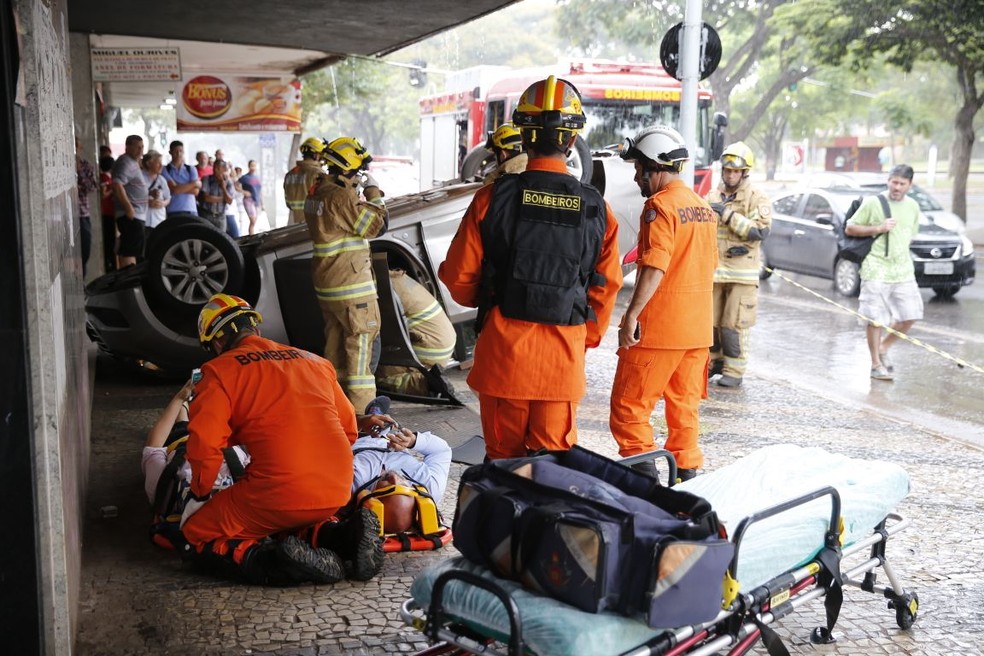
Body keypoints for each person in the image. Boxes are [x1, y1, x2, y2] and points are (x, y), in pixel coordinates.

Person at [439, 76, 622, 461]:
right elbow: (605, 289)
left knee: (503, 469)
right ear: (572, 140)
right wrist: (580, 338)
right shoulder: (597, 209)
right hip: (562, 365)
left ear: (524, 134)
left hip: (503, 360)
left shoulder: (492, 198)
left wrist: (492, 301)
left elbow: (458, 279)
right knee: (549, 474)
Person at [182, 293, 383, 585]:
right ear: (256, 329)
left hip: (279, 492)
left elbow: (204, 446)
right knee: (289, 518)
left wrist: (200, 493)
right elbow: (349, 429)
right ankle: (343, 538)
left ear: (216, 343)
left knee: (196, 533)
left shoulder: (218, 372)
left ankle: (275, 563)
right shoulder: (314, 361)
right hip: (337, 488)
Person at [608, 126, 718, 481]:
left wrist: (631, 315)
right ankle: (688, 482)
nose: (637, 177)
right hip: (697, 331)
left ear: (656, 166)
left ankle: (647, 485)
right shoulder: (703, 209)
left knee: (629, 409)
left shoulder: (659, 207)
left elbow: (655, 265)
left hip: (659, 331)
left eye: (639, 169)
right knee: (684, 409)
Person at [303, 137, 388, 411]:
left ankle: (336, 415)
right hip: (353, 291)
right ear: (348, 167)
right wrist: (373, 191)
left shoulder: (317, 193)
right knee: (360, 363)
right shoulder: (341, 198)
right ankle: (366, 423)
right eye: (358, 169)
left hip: (329, 288)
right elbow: (377, 225)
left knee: (335, 357)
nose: (359, 174)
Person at [844, 164, 922, 381]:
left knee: (910, 315)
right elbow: (850, 228)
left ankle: (884, 347)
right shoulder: (873, 202)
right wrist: (878, 228)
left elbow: (910, 235)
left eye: (902, 183)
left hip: (903, 269)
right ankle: (875, 364)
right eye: (893, 182)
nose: (897, 187)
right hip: (875, 267)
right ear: (888, 181)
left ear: (909, 185)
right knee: (875, 318)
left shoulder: (913, 207)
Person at [704, 142, 772, 388]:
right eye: (727, 170)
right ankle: (712, 364)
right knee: (709, 324)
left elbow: (760, 232)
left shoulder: (756, 198)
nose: (730, 175)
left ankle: (734, 370)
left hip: (742, 274)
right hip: (714, 272)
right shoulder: (712, 195)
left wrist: (728, 215)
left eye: (735, 171)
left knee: (733, 325)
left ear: (744, 172)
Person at [375, 269, 456, 396]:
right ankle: (429, 375)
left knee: (376, 376)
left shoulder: (375, 285)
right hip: (442, 341)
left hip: (428, 349)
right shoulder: (394, 278)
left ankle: (426, 384)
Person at [110, 134, 149, 267]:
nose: (141, 150)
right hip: (131, 216)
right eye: (137, 147)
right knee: (130, 251)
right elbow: (116, 184)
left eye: (142, 147)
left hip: (135, 215)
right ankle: (128, 283)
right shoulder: (125, 162)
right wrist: (128, 207)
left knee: (130, 248)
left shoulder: (132, 162)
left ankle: (128, 281)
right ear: (127, 147)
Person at [284, 137, 326, 225]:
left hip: (294, 222)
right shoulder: (318, 173)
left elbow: (288, 203)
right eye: (320, 154)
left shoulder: (290, 174)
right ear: (315, 155)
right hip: (313, 222)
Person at [75, 137, 98, 277]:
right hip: (63, 218)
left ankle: (81, 281)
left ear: (79, 148)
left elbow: (92, 187)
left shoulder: (85, 166)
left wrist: (78, 171)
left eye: (75, 146)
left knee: (85, 250)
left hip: (82, 215)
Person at [161, 140, 201, 220]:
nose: (179, 154)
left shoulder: (191, 169)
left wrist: (179, 187)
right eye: (176, 151)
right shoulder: (165, 170)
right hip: (173, 210)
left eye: (181, 151)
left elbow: (196, 191)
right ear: (170, 152)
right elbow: (174, 189)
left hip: (191, 209)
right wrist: (194, 184)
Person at [198, 159, 234, 232]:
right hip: (206, 215)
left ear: (224, 169)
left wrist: (223, 187)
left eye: (218, 168)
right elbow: (206, 198)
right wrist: (224, 199)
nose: (215, 170)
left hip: (221, 216)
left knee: (220, 239)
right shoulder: (207, 179)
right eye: (214, 167)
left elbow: (230, 201)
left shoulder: (228, 182)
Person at [142, 150, 171, 232]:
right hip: (144, 220)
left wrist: (163, 203)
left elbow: (168, 198)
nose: (161, 165)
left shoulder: (162, 180)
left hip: (159, 220)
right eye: (158, 163)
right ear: (149, 163)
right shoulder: (139, 178)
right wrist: (147, 202)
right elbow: (132, 197)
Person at [98, 154, 117, 272]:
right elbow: (103, 194)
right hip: (107, 212)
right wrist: (112, 189)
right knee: (109, 240)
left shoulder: (108, 177)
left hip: (110, 211)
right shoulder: (104, 177)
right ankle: (110, 265)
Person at [239, 160, 263, 235]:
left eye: (254, 166)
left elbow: (259, 191)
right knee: (252, 220)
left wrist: (262, 202)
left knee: (254, 220)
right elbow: (236, 185)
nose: (253, 167)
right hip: (248, 200)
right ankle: (251, 236)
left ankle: (252, 235)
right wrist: (244, 192)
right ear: (249, 166)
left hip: (256, 200)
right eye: (251, 165)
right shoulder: (245, 177)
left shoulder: (257, 178)